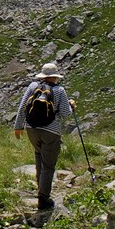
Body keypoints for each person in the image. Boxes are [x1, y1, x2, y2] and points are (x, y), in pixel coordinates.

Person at [13, 62, 76, 211]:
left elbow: (22, 106)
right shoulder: (59, 90)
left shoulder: (33, 86)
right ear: (54, 77)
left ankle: (40, 190)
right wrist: (72, 106)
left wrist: (18, 126)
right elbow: (65, 114)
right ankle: (43, 200)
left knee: (38, 156)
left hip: (31, 129)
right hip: (51, 131)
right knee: (48, 166)